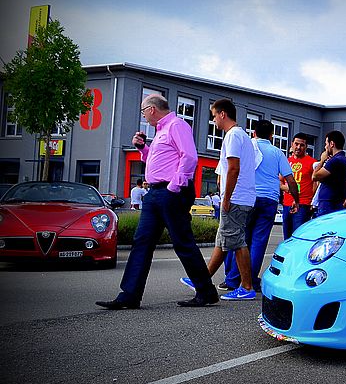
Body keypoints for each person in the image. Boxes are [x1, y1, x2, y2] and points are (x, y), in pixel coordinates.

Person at [96, 94, 217, 310]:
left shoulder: (176, 125)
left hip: (171, 190)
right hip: (154, 193)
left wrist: (174, 186)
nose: (143, 116)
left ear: (152, 109)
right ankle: (129, 295)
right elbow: (159, 159)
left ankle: (206, 292)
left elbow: (189, 157)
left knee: (182, 242)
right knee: (141, 241)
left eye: (143, 111)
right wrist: (142, 149)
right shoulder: (161, 131)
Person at [189, 98, 258, 301]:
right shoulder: (242, 135)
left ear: (222, 114)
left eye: (213, 116)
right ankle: (201, 279)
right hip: (242, 196)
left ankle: (246, 287)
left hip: (236, 198)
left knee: (237, 242)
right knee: (225, 239)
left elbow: (233, 168)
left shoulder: (233, 136)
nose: (214, 122)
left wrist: (226, 198)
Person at [218, 120, 298, 292]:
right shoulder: (277, 153)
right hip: (269, 199)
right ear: (271, 135)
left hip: (248, 197)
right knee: (259, 242)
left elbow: (230, 169)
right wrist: (295, 199)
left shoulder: (247, 146)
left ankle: (232, 279)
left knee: (241, 239)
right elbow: (290, 179)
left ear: (253, 133)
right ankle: (251, 280)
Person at [282, 133, 317, 238]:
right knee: (287, 237)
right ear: (292, 144)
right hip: (287, 204)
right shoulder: (286, 162)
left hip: (303, 205)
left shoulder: (312, 163)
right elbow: (279, 181)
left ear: (306, 147)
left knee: (298, 236)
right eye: (296, 144)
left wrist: (312, 202)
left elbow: (316, 183)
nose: (298, 147)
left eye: (301, 145)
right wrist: (287, 188)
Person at [312, 130, 346, 218]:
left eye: (326, 144)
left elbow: (315, 176)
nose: (325, 147)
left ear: (332, 144)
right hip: (335, 201)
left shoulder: (335, 160)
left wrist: (322, 160)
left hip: (328, 203)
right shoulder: (343, 160)